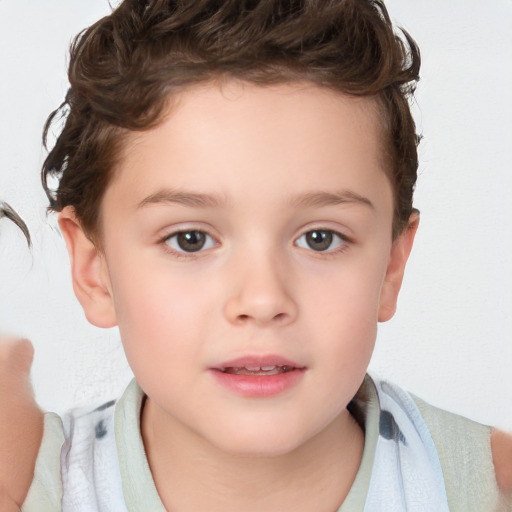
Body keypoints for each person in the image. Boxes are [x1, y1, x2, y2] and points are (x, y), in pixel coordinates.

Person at [0, 0, 511, 510]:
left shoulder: (486, 489)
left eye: (320, 238)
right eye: (190, 239)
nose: (263, 300)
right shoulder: (33, 487)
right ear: (95, 271)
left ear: (391, 268)